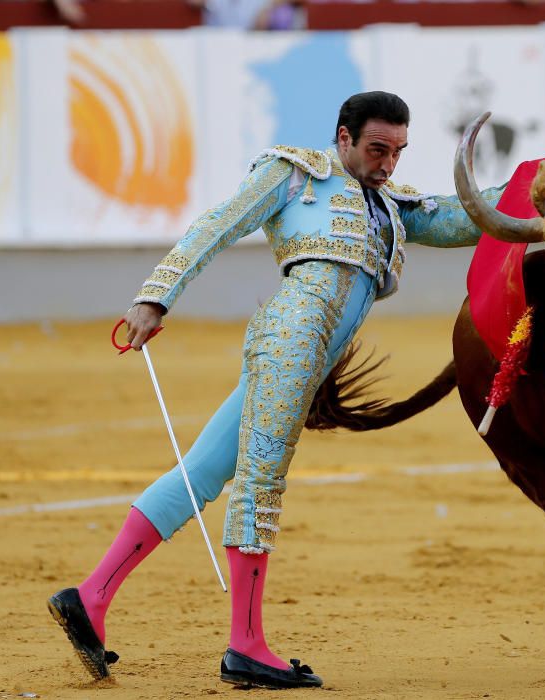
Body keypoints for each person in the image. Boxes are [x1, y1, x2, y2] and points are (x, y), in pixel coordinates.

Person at [47, 91, 504, 690]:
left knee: (202, 474)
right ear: (343, 138)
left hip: (309, 358)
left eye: (397, 152)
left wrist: (541, 185)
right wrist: (155, 296)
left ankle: (91, 598)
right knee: (261, 482)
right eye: (376, 149)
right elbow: (218, 224)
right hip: (290, 341)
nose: (388, 163)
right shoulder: (294, 174)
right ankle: (246, 646)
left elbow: (462, 217)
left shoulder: (391, 205)